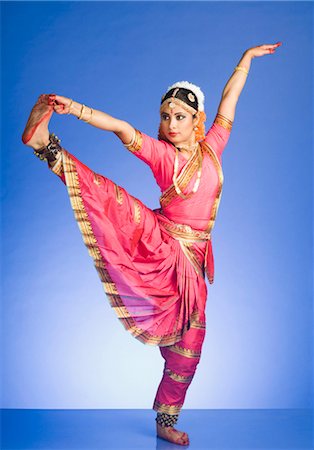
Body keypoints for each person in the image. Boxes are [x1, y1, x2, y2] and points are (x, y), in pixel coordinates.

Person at [22, 42, 282, 446]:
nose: (171, 124)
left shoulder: (213, 147)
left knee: (189, 346)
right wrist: (74, 108)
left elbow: (230, 99)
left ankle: (165, 419)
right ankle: (45, 145)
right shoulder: (164, 156)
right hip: (163, 244)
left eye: (180, 117)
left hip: (193, 263)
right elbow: (123, 129)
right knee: (107, 197)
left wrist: (246, 60)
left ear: (197, 121)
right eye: (165, 117)